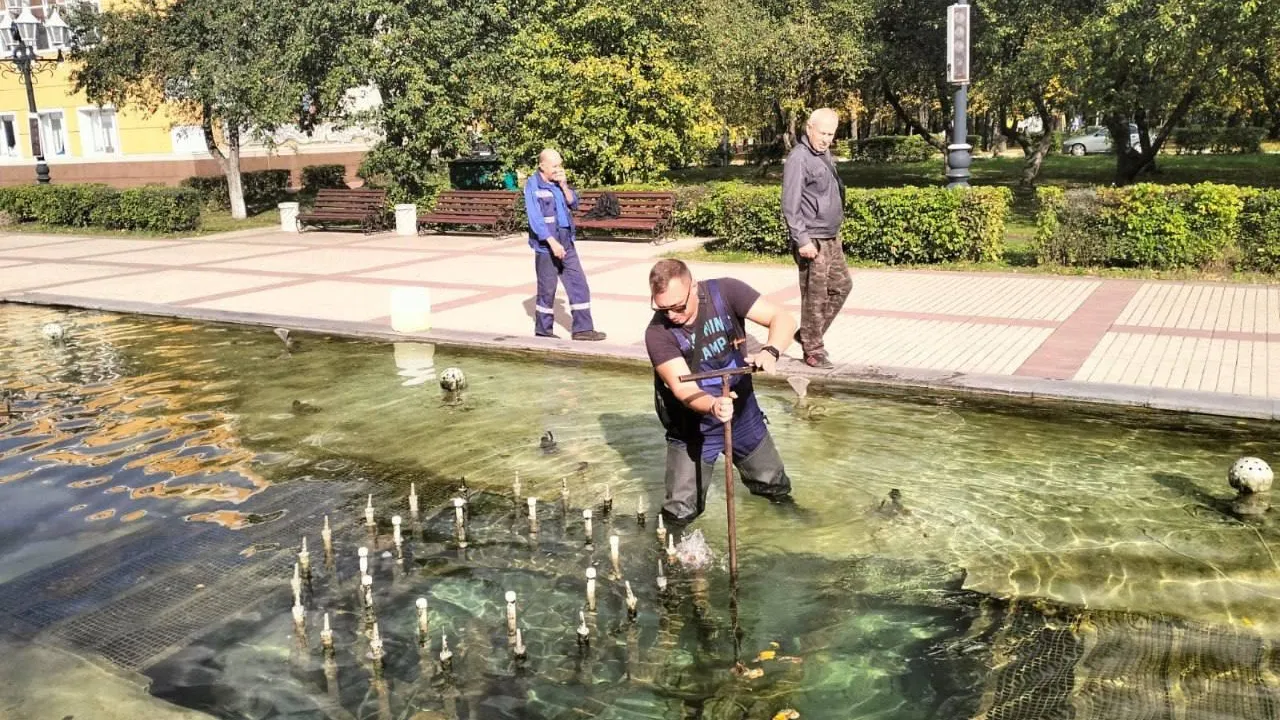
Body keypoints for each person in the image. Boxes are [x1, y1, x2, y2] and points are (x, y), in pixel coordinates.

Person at [644, 259, 797, 526]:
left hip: (743, 416)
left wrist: (771, 350)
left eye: (677, 307)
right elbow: (683, 387)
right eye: (662, 308)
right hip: (693, 427)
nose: (671, 315)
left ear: (694, 287)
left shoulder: (726, 292)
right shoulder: (657, 333)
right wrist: (713, 405)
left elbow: (782, 318)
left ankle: (791, 525)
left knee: (773, 484)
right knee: (680, 511)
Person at [781, 108, 852, 369]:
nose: (826, 139)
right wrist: (802, 240)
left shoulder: (823, 153)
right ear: (809, 128)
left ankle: (808, 333)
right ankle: (813, 350)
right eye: (822, 133)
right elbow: (790, 203)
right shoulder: (799, 158)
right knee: (815, 295)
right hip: (813, 239)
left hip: (830, 236)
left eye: (831, 134)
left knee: (842, 286)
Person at [524, 149, 606, 341]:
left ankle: (583, 329)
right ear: (542, 165)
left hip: (566, 242)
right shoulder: (532, 185)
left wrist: (564, 185)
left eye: (560, 165)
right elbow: (535, 219)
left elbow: (573, 203)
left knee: (579, 284)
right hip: (547, 247)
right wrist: (552, 244)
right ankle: (544, 331)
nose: (559, 169)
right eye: (555, 166)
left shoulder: (559, 184)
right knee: (547, 289)